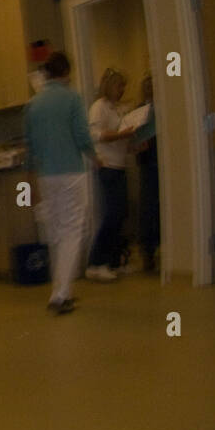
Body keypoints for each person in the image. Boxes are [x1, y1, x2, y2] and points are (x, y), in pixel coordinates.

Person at [24, 51, 96, 314]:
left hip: (46, 176)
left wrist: (30, 181)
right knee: (72, 232)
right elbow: (82, 136)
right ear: (66, 72)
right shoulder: (72, 98)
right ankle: (60, 295)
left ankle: (59, 289)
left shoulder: (33, 104)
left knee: (55, 234)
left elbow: (29, 146)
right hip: (70, 173)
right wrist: (95, 157)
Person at [86, 68, 137, 281]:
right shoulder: (99, 107)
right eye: (119, 86)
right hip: (107, 166)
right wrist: (120, 135)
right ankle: (96, 262)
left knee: (121, 214)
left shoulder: (117, 109)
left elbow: (119, 136)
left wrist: (131, 141)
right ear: (109, 86)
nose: (122, 90)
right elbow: (95, 135)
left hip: (119, 165)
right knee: (112, 215)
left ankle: (115, 261)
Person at [132, 73, 160, 274]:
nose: (150, 90)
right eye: (147, 87)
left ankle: (156, 248)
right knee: (148, 208)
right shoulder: (140, 110)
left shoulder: (164, 108)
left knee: (160, 208)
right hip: (147, 161)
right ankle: (148, 252)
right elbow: (133, 136)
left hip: (161, 160)